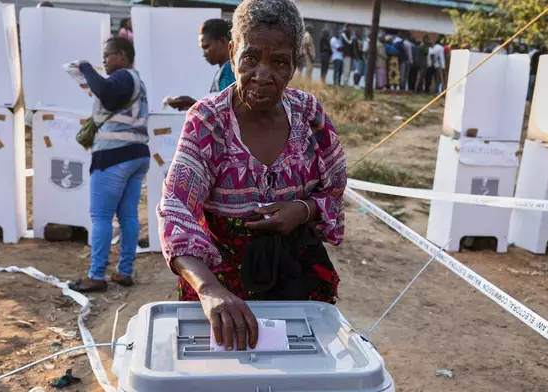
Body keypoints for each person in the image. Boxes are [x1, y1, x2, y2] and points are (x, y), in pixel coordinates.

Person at [158, 0, 347, 351]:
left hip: (295, 279)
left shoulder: (309, 115)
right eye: (250, 58)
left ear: (294, 64)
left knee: (296, 374)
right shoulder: (208, 122)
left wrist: (302, 210)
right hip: (224, 290)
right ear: (232, 53)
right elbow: (176, 211)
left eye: (279, 62)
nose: (262, 75)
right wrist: (210, 290)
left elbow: (334, 190)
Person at [69, 37, 150, 292]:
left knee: (101, 216)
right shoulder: (135, 81)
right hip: (137, 155)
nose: (103, 61)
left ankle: (96, 275)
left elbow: (103, 91)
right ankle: (124, 271)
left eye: (107, 55)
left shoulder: (123, 77)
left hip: (114, 156)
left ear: (122, 56)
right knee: (127, 215)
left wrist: (84, 67)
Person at [168, 19, 235, 111]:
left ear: (223, 42)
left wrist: (194, 104)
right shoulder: (226, 69)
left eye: (206, 47)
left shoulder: (228, 71)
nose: (204, 54)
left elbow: (228, 110)